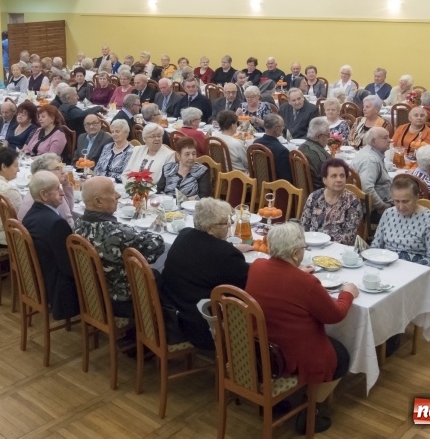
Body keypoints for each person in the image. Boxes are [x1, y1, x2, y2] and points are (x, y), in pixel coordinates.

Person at [246, 222, 356, 434]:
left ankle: (279, 402)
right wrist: (348, 293)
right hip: (291, 353)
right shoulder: (306, 283)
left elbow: (280, 279)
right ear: (296, 253)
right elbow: (335, 315)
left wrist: (297, 272)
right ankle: (311, 409)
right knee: (341, 355)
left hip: (262, 346)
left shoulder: (257, 266)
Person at [160, 198, 249, 350]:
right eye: (224, 223)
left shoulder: (184, 235)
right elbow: (246, 286)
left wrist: (229, 246)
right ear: (209, 229)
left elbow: (205, 252)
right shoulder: (226, 255)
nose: (229, 225)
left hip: (172, 314)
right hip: (200, 326)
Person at [74, 176, 165, 317]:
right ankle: (153, 327)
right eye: (112, 192)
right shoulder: (116, 233)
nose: (118, 195)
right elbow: (157, 244)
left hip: (93, 294)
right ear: (98, 201)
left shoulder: (78, 223)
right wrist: (137, 232)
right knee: (159, 275)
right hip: (121, 300)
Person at [22, 170, 78, 321]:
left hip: (40, 279)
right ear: (44, 195)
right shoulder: (56, 224)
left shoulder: (30, 215)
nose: (62, 192)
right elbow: (69, 267)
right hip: (59, 290)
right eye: (57, 189)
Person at [372, 175, 430, 271]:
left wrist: (407, 269)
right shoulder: (388, 213)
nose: (400, 207)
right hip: (386, 265)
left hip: (416, 269)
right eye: (396, 201)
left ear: (417, 197)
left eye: (405, 201)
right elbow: (375, 246)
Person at [300, 159, 362, 245]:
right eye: (334, 176)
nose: (339, 179)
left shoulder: (352, 201)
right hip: (311, 245)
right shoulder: (314, 197)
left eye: (342, 176)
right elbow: (303, 226)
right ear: (324, 180)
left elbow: (349, 236)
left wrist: (324, 244)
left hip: (337, 249)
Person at [18, 153, 75, 225]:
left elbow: (68, 209)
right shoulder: (51, 195)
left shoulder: (35, 189)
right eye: (57, 169)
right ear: (44, 173)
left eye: (61, 168)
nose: (63, 172)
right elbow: (69, 223)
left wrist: (66, 185)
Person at [351, 126, 393, 217]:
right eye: (385, 138)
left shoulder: (368, 152)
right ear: (374, 142)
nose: (390, 140)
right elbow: (366, 187)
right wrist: (381, 206)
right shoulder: (370, 160)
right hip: (373, 210)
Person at [253, 114, 293, 182]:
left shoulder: (256, 143)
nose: (283, 128)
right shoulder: (282, 150)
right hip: (275, 189)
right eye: (283, 125)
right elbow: (286, 179)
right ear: (277, 129)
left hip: (259, 185)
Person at [299, 117, 331, 190]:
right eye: (328, 135)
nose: (329, 138)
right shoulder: (323, 157)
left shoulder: (302, 147)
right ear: (319, 136)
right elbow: (331, 180)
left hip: (304, 191)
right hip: (319, 194)